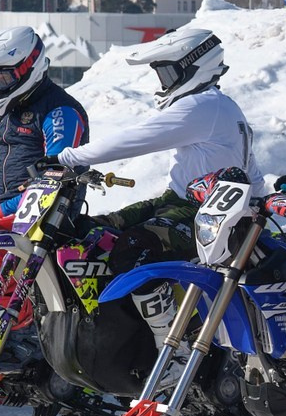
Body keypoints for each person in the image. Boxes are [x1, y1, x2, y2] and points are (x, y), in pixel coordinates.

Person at [55, 26, 253, 255]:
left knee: (132, 246)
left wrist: (67, 157)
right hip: (180, 202)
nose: (165, 84)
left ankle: (153, 293)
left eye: (169, 74)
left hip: (203, 213)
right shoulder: (224, 105)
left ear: (194, 66)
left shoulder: (201, 106)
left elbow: (136, 139)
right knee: (90, 230)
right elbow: (249, 166)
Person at [0, 26, 88, 207]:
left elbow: (53, 180)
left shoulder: (60, 112)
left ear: (28, 67)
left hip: (43, 221)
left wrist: (2, 211)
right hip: (1, 213)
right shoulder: (5, 113)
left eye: (3, 79)